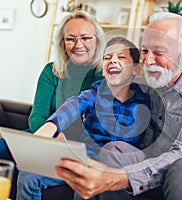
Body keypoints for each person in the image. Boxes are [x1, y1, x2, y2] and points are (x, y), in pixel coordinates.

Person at [54, 12, 182, 200]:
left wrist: (118, 178)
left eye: (158, 52)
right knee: (114, 151)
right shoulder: (152, 81)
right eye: (144, 51)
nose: (148, 61)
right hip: (158, 165)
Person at [0, 10, 105, 198]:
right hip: (43, 136)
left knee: (27, 171)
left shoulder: (103, 76)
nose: (78, 44)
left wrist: (64, 137)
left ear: (97, 40)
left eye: (86, 38)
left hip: (79, 145)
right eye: (70, 38)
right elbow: (37, 114)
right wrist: (49, 139)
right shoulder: (51, 71)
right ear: (62, 43)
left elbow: (93, 122)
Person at [17, 36, 150, 200]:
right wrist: (49, 128)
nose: (112, 61)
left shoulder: (146, 101)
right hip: (82, 158)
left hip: (112, 167)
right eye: (107, 58)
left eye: (121, 57)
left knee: (85, 189)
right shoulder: (94, 93)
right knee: (28, 175)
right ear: (104, 70)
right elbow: (73, 105)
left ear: (135, 69)